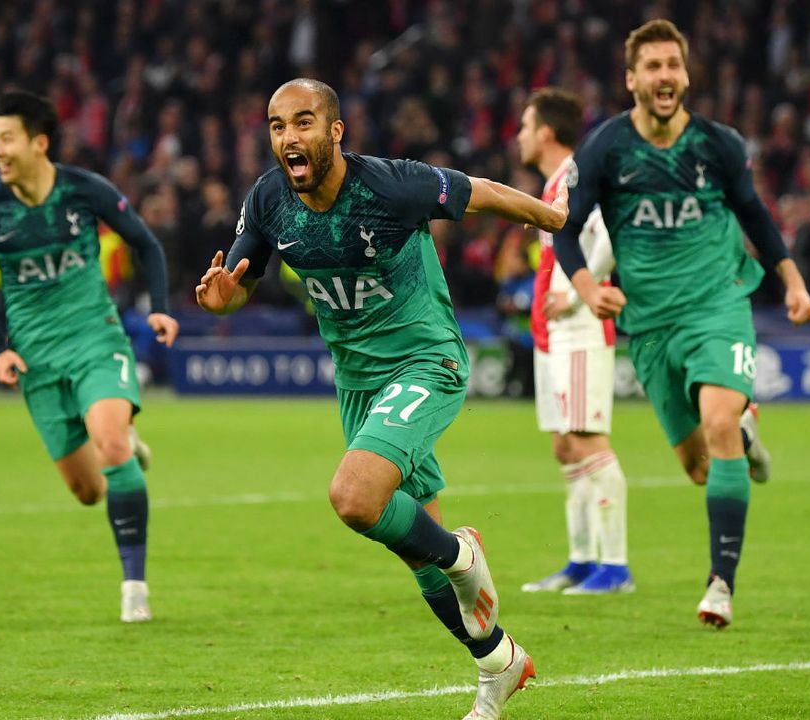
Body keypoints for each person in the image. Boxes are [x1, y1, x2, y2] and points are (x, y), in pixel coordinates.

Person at [196, 78, 568, 720]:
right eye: (278, 125)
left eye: (304, 122)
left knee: (355, 497)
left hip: (427, 361)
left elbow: (480, 194)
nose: (289, 137)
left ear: (335, 132)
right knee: (415, 554)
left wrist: (553, 218)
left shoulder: (390, 185)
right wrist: (221, 296)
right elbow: (239, 280)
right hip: (360, 384)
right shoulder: (268, 201)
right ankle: (498, 663)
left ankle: (463, 552)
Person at [553, 20, 810, 628]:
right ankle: (746, 437)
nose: (665, 76)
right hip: (648, 326)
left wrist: (792, 279)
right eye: (652, 66)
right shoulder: (606, 148)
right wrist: (589, 288)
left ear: (686, 74)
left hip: (716, 305)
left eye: (673, 64)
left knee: (718, 420)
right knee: (700, 466)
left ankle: (720, 585)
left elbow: (753, 212)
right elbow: (566, 226)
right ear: (631, 79)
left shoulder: (717, 144)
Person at [0, 90, 179, 623]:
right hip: (38, 359)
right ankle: (126, 449)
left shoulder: (84, 190)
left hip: (95, 340)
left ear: (39, 142)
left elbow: (145, 243)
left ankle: (135, 588)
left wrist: (160, 308)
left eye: (6, 138)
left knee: (108, 444)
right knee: (85, 490)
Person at [515, 88, 633, 595]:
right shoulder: (554, 183)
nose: (519, 134)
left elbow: (610, 233)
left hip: (581, 328)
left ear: (545, 132)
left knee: (588, 440)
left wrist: (580, 293)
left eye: (525, 124)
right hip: (553, 333)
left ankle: (616, 567)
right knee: (566, 446)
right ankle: (583, 560)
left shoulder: (578, 175)